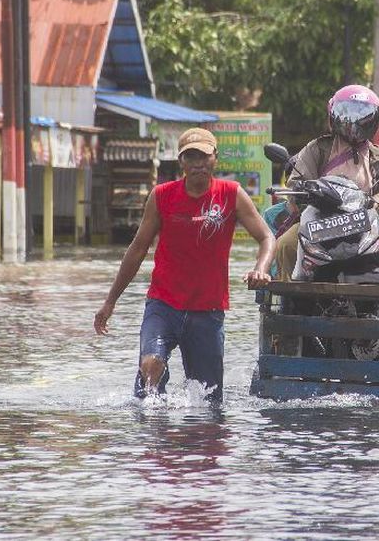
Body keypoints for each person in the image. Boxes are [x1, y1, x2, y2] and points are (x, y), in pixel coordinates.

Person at [93, 128, 275, 404]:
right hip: (163, 305)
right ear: (181, 162)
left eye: (203, 156)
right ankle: (152, 435)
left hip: (208, 311)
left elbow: (266, 237)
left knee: (209, 399)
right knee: (150, 368)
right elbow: (138, 248)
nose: (198, 163)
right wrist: (110, 301)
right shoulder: (162, 196)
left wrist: (261, 268)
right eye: (191, 157)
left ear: (215, 158)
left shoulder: (231, 194)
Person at [274, 85, 379, 279]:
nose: (354, 123)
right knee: (285, 245)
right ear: (333, 115)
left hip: (366, 225)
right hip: (317, 223)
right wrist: (314, 195)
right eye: (348, 114)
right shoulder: (317, 149)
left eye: (361, 116)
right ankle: (286, 297)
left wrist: (374, 203)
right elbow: (297, 183)